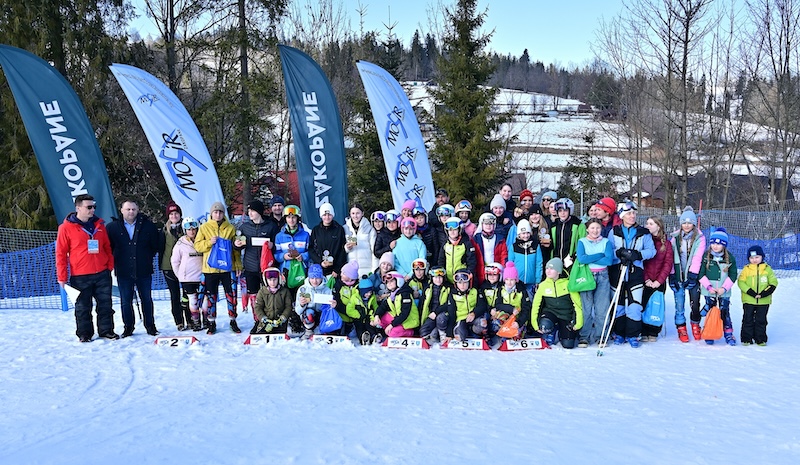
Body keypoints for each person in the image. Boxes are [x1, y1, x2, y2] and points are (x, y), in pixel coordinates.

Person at [56, 194, 118, 342]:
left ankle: (106, 330)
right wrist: (62, 277)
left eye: (94, 207)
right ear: (78, 208)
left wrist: (109, 265)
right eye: (89, 207)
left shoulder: (99, 225)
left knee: (105, 305)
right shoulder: (65, 228)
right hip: (80, 275)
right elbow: (61, 253)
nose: (92, 210)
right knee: (83, 307)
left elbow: (107, 247)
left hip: (102, 273)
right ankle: (84, 333)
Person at [106, 199, 161, 337]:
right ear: (121, 210)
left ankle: (150, 326)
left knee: (146, 299)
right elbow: (108, 247)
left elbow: (155, 246)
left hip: (144, 270)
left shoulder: (148, 226)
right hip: (123, 271)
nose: (131, 212)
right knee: (126, 301)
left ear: (138, 210)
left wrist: (145, 257)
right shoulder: (112, 227)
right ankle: (128, 327)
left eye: (133, 209)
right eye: (128, 209)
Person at [607, 201, 656, 348]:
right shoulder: (614, 231)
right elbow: (608, 250)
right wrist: (619, 253)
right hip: (618, 271)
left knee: (634, 305)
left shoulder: (643, 232)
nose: (632, 216)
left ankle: (633, 334)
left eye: (634, 213)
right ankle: (619, 333)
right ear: (622, 216)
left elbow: (651, 251)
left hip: (635, 272)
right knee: (619, 304)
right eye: (629, 213)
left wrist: (638, 255)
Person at [194, 201, 243, 335]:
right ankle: (211, 322)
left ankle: (233, 320)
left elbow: (235, 249)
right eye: (215, 212)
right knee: (211, 296)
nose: (218, 214)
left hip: (227, 268)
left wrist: (238, 265)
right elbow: (197, 246)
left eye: (220, 212)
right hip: (210, 269)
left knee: (231, 295)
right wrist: (208, 242)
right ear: (211, 214)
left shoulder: (230, 228)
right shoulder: (204, 227)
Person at [575, 218, 614, 347]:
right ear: (587, 229)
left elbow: (608, 260)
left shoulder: (606, 242)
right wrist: (599, 255)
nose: (595, 230)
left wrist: (590, 258)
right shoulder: (582, 242)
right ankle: (584, 336)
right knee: (586, 308)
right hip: (587, 276)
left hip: (602, 276)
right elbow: (582, 258)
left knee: (601, 308)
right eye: (592, 228)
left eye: (597, 228)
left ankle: (601, 336)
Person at [669, 206, 706, 343]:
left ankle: (695, 324)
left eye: (689, 223)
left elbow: (697, 257)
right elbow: (671, 257)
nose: (686, 225)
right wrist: (672, 275)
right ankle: (681, 326)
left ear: (694, 224)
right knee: (679, 302)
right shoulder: (675, 238)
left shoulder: (700, 238)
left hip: (692, 275)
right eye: (684, 222)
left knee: (694, 302)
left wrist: (693, 275)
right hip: (678, 275)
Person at [234, 199, 277, 315]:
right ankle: (257, 320)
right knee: (254, 296)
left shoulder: (271, 226)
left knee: (269, 294)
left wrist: (272, 246)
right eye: (249, 211)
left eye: (252, 211)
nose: (250, 213)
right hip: (250, 267)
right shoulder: (244, 227)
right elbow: (238, 245)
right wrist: (237, 244)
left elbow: (277, 245)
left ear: (259, 211)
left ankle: (270, 318)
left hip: (267, 267)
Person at [697, 228, 738, 345]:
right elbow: (701, 274)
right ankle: (710, 332)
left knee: (724, 312)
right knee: (711, 311)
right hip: (709, 291)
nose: (715, 246)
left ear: (724, 245)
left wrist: (724, 288)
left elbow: (733, 275)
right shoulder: (706, 256)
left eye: (719, 244)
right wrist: (709, 287)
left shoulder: (730, 258)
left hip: (723, 292)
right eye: (713, 243)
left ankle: (728, 334)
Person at [530, 258, 583, 349]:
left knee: (568, 345)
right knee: (545, 325)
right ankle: (551, 330)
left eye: (551, 269)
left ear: (558, 271)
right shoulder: (543, 285)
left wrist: (578, 322)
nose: (548, 271)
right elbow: (536, 306)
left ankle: (561, 331)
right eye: (547, 268)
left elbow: (578, 304)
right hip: (551, 313)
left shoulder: (568, 284)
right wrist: (535, 324)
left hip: (566, 315)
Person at [737, 245, 778, 346]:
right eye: (751, 258)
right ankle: (746, 338)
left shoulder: (767, 269)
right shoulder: (746, 269)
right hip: (749, 299)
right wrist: (751, 292)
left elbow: (773, 282)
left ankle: (760, 339)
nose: (754, 260)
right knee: (748, 319)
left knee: (761, 320)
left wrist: (764, 294)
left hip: (764, 301)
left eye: (757, 257)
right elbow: (741, 282)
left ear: (762, 257)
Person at [642, 216, 673, 342]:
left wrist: (659, 281)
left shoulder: (667, 244)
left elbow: (668, 263)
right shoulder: (644, 241)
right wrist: (646, 279)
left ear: (658, 226)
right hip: (646, 280)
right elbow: (642, 262)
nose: (647, 226)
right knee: (644, 304)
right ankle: (643, 331)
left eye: (651, 224)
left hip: (659, 281)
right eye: (647, 223)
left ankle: (654, 331)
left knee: (656, 305)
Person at [170, 217, 205, 331]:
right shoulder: (180, 244)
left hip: (202, 276)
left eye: (194, 229)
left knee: (204, 300)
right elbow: (175, 261)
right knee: (192, 300)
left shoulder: (202, 241)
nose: (191, 231)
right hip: (188, 278)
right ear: (185, 230)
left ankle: (206, 320)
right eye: (189, 229)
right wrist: (180, 275)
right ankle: (195, 321)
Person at [160, 200, 189, 331]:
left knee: (187, 295)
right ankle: (179, 321)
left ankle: (190, 319)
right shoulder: (164, 230)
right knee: (174, 295)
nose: (174, 216)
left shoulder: (186, 228)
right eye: (171, 214)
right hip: (168, 266)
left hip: (186, 266)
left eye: (176, 213)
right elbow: (160, 247)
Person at [372, 271, 420, 340]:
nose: (389, 284)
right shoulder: (392, 295)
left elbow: (404, 313)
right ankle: (389, 331)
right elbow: (383, 307)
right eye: (387, 282)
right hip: (399, 319)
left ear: (398, 281)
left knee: (392, 333)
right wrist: (377, 315)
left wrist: (391, 325)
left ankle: (411, 332)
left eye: (391, 281)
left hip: (409, 321)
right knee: (380, 320)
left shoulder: (405, 294)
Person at [290, 264, 332, 338]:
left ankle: (322, 330)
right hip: (309, 314)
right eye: (312, 278)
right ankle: (308, 330)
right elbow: (298, 311)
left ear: (321, 277)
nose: (314, 281)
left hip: (322, 313)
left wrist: (332, 305)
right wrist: (302, 305)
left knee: (327, 314)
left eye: (317, 278)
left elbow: (329, 309)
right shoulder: (303, 289)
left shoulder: (327, 290)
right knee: (309, 313)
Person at [446, 269, 488, 341]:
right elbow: (451, 313)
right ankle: (464, 331)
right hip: (461, 319)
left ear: (469, 282)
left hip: (473, 317)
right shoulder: (453, 294)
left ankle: (474, 332)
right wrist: (449, 334)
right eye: (459, 283)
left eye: (465, 283)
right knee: (460, 337)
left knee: (482, 323)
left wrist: (474, 313)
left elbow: (482, 305)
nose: (462, 285)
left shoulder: (475, 291)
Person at [274, 205, 310, 288]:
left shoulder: (305, 235)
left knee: (301, 293)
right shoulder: (279, 236)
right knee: (286, 294)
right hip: (286, 270)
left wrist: (303, 256)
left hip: (301, 270)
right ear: (285, 219)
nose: (291, 220)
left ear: (297, 218)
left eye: (293, 217)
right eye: (288, 217)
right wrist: (283, 256)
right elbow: (276, 254)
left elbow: (310, 252)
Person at [308, 202, 348, 277]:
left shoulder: (339, 229)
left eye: (329, 214)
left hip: (335, 271)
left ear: (332, 215)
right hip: (320, 269)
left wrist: (337, 269)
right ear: (321, 216)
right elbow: (311, 249)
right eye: (324, 215)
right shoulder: (316, 230)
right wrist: (320, 262)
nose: (327, 217)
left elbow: (342, 250)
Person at [506, 219, 543, 299]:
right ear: (519, 234)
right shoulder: (514, 247)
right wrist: (512, 278)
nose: (525, 235)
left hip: (531, 281)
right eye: (523, 233)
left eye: (527, 233)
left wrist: (538, 279)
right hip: (518, 281)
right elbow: (510, 264)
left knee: (530, 300)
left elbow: (539, 263)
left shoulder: (535, 245)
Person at [252, 267, 293, 334]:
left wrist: (283, 318)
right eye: (270, 280)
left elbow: (288, 306)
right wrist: (264, 319)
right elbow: (258, 307)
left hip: (281, 321)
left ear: (279, 279)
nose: (272, 282)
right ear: (266, 280)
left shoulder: (285, 291)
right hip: (266, 322)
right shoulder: (262, 292)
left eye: (275, 279)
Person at [419, 266, 453, 344]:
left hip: (444, 314)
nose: (438, 280)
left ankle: (442, 334)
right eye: (436, 277)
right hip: (431, 314)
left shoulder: (449, 288)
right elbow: (422, 305)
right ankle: (435, 331)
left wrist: (436, 312)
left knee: (440, 319)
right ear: (432, 278)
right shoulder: (428, 288)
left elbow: (449, 304)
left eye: (440, 277)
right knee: (423, 332)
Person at [438, 217, 478, 283]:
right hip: (448, 279)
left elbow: (472, 262)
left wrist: (468, 274)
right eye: (450, 230)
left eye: (455, 229)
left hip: (462, 280)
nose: (452, 232)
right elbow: (441, 260)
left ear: (460, 230)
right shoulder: (446, 244)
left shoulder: (466, 243)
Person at [550, 198, 584, 275]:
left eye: (565, 210)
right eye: (560, 211)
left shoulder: (578, 225)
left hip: (571, 261)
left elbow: (582, 243)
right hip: (557, 261)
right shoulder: (554, 225)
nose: (562, 213)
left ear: (570, 211)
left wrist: (575, 256)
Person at [474, 212, 508, 284]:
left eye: (491, 224)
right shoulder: (476, 239)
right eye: (486, 224)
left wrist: (501, 270)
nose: (488, 226)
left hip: (496, 273)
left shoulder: (500, 239)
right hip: (481, 273)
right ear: (481, 225)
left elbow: (503, 255)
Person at [343, 203, 376, 279]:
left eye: (358, 213)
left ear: (362, 213)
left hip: (367, 269)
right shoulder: (345, 228)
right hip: (351, 270)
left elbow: (374, 251)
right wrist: (347, 248)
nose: (355, 216)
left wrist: (374, 270)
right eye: (353, 213)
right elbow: (341, 250)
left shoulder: (369, 229)